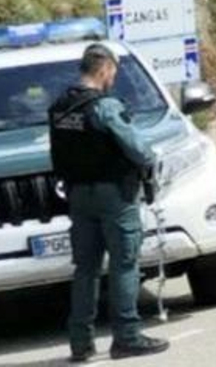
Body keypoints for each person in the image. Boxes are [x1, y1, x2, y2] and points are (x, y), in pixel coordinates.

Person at [50, 44, 167, 362]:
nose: (113, 78)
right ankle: (127, 337)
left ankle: (80, 343)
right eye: (113, 72)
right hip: (114, 194)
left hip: (78, 195)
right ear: (103, 70)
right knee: (124, 264)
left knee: (85, 269)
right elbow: (139, 150)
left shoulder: (61, 107)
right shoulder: (104, 107)